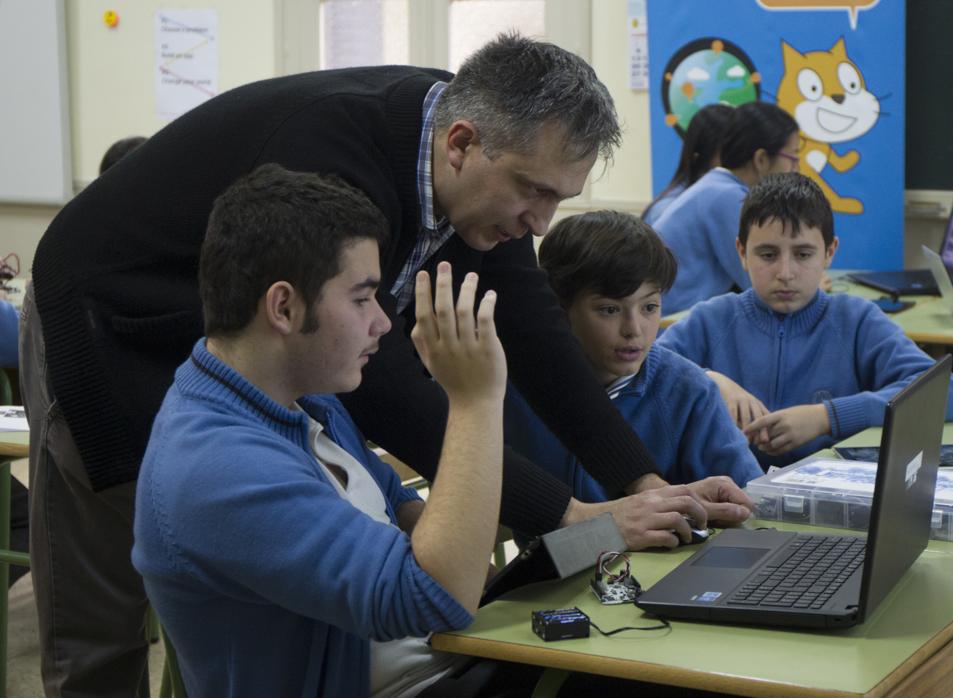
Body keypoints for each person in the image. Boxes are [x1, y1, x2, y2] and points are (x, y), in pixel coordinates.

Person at [23, 34, 750, 696]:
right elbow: (385, 389)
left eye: (558, 199)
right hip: (104, 325)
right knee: (105, 624)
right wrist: (572, 513)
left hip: (253, 368)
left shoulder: (468, 149)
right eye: (533, 192)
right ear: (461, 144)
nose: (541, 222)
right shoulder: (332, 160)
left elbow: (533, 334)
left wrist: (640, 486)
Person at [134, 164, 531, 696]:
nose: (382, 323)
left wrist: (512, 585)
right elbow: (435, 596)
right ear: (284, 307)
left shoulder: (303, 396)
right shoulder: (216, 466)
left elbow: (394, 505)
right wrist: (474, 400)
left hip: (451, 663)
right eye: (362, 298)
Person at [658, 173, 953, 469]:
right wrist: (709, 379)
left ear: (829, 252)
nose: (786, 272)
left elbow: (946, 396)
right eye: (767, 255)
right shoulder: (711, 319)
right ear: (741, 252)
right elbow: (642, 370)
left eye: (803, 254)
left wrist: (827, 417)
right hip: (729, 499)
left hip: (830, 498)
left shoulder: (856, 321)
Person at [505, 211, 762, 507]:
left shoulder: (689, 392)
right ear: (559, 309)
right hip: (550, 553)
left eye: (649, 307)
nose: (634, 329)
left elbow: (751, 502)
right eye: (609, 310)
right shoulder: (512, 385)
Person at [653, 101, 801, 314]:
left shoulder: (718, 187)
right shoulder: (726, 197)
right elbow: (760, 286)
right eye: (792, 158)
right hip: (670, 326)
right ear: (761, 159)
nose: (796, 169)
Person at [641, 103, 734, 225]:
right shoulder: (668, 210)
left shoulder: (727, 199)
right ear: (701, 154)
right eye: (729, 151)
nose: (739, 160)